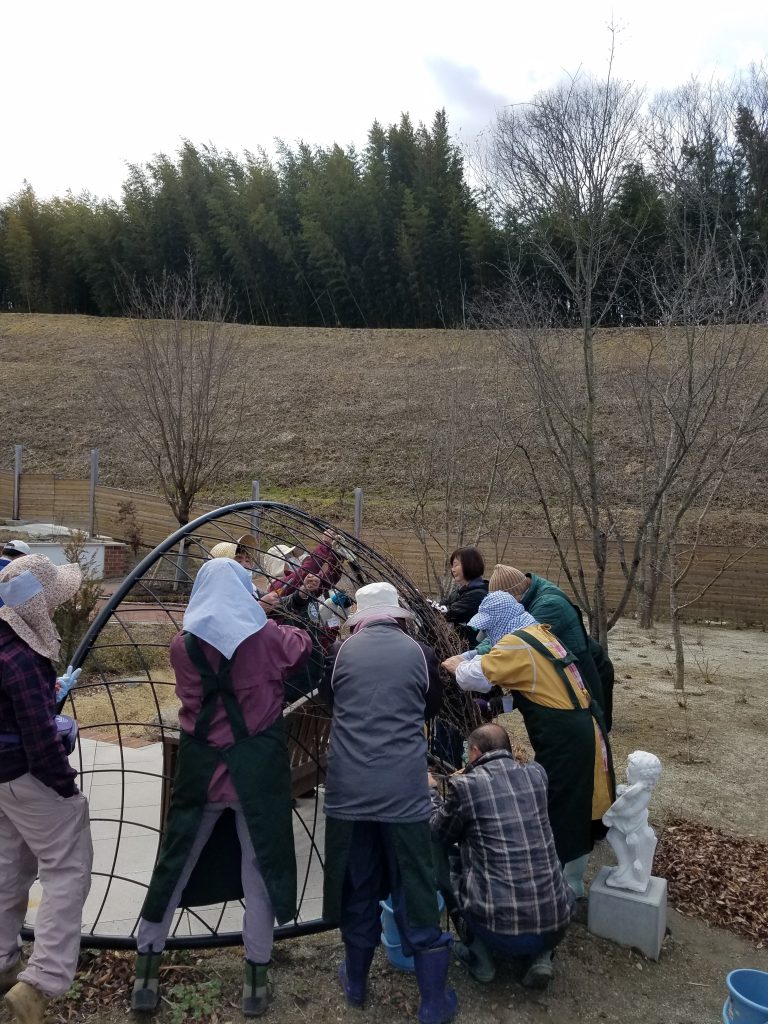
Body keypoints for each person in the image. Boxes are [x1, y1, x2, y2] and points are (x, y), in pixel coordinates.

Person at [131, 557, 313, 1017]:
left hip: (202, 768)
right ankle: (255, 980)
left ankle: (146, 970)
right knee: (260, 870)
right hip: (256, 772)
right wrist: (269, 611)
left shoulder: (181, 646)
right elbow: (302, 646)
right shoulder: (269, 638)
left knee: (175, 861)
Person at [322, 582, 456, 1024]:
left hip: (349, 793)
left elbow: (330, 702)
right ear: (397, 615)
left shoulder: (341, 653)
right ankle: (433, 1001)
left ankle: (356, 981)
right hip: (404, 792)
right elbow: (430, 707)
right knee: (415, 884)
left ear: (359, 617)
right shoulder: (420, 653)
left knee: (358, 883)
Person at [441, 592, 614, 904]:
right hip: (582, 727)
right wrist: (498, 700)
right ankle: (568, 880)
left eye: (489, 627)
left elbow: (472, 678)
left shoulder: (517, 644)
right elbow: (533, 688)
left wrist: (456, 665)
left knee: (564, 808)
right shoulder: (539, 634)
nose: (486, 634)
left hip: (566, 739)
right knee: (577, 804)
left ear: (501, 622)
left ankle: (560, 888)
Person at [0, 554, 92, 1024]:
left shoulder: (3, 643)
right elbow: (37, 737)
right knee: (68, 867)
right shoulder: (21, 657)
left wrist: (47, 694)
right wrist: (64, 785)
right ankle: (40, 983)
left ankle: (1, 962)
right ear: (36, 606)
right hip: (26, 776)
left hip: (1, 781)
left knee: (9, 863)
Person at [428, 723, 573, 989]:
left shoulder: (466, 786)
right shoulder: (537, 775)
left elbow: (440, 831)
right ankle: (541, 957)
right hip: (556, 923)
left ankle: (480, 958)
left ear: (474, 751)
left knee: (442, 851)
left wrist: (431, 793)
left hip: (499, 929)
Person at [489, 564, 614, 731]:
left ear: (515, 596)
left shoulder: (549, 605)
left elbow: (513, 641)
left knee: (591, 731)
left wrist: (472, 660)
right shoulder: (529, 596)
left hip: (584, 678)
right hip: (568, 678)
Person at [442, 547, 488, 647]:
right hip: (458, 647)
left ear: (470, 564)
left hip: (472, 652)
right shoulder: (460, 592)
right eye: (452, 566)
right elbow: (441, 605)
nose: (452, 570)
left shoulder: (478, 594)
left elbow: (449, 613)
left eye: (456, 565)